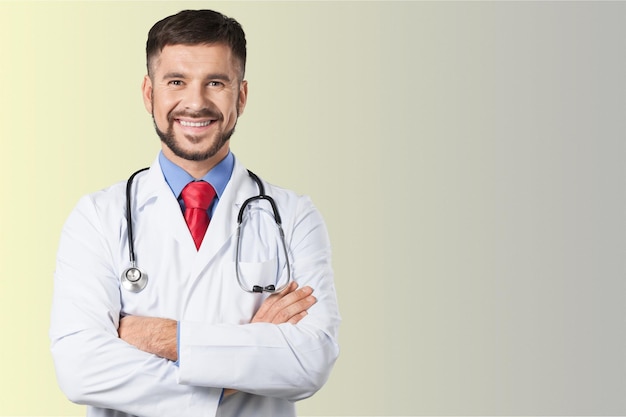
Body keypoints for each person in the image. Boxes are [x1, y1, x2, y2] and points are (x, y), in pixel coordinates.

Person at [49, 9, 340, 417]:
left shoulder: (293, 216)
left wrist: (162, 337)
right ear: (150, 94)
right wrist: (246, 358)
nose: (196, 102)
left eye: (216, 83)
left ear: (241, 96)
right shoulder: (97, 217)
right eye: (176, 82)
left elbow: (311, 361)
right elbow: (81, 368)